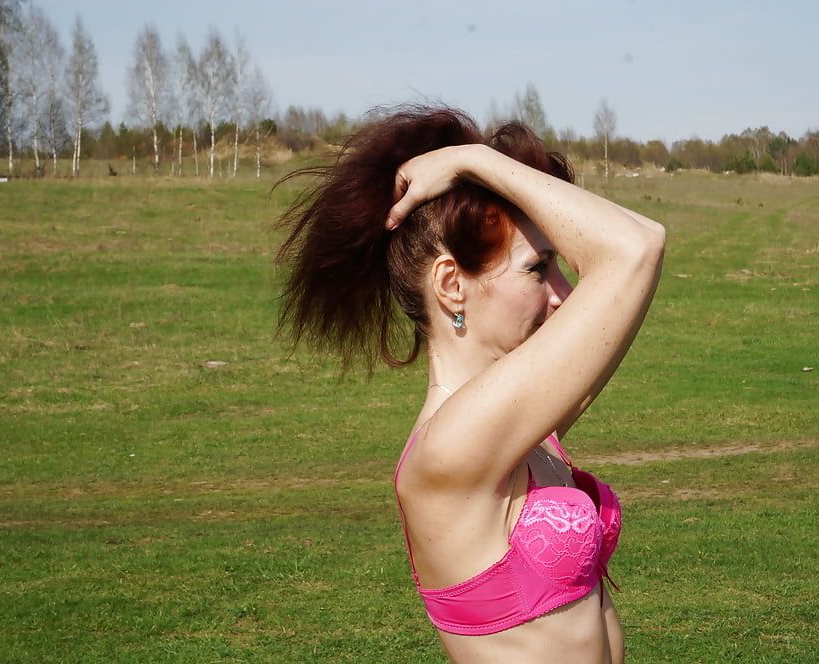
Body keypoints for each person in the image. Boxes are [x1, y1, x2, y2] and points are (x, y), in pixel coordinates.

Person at [275, 106, 665, 663]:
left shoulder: (528, 426)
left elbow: (628, 271)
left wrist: (478, 168)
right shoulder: (451, 447)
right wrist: (473, 161)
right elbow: (637, 247)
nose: (565, 294)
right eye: (538, 269)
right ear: (451, 285)